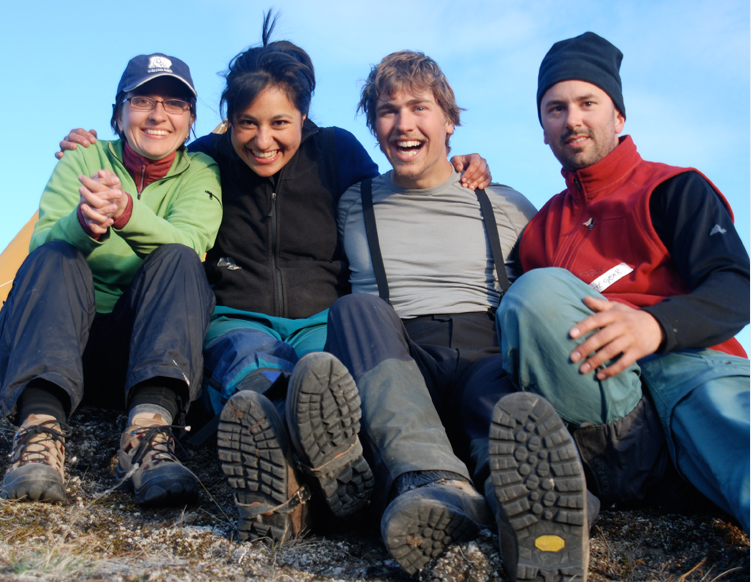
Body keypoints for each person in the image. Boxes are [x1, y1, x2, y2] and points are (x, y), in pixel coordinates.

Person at [56, 13, 491, 543]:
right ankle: (296, 461)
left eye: (280, 123)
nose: (263, 140)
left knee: (321, 371)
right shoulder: (207, 160)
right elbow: (152, 173)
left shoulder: (335, 151)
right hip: (237, 315)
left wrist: (461, 160)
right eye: (247, 123)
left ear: (303, 118)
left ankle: (308, 468)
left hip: (321, 316)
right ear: (228, 120)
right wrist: (94, 144)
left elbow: (395, 188)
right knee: (250, 369)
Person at [320, 51, 583, 580]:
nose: (403, 123)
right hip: (397, 356)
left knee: (506, 415)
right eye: (387, 111)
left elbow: (550, 294)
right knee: (353, 309)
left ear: (449, 120)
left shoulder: (505, 202)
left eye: (419, 107)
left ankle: (536, 512)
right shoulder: (353, 201)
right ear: (373, 126)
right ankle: (431, 483)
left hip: (484, 348)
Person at [497, 31, 750, 548]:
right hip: (611, 421)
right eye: (555, 109)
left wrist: (655, 325)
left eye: (588, 103)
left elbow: (736, 286)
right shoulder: (537, 229)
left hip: (690, 370)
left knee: (729, 426)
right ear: (542, 129)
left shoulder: (673, 188)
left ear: (619, 116)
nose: (572, 120)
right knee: (529, 296)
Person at [0, 53, 223, 507]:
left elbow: (193, 240)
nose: (158, 114)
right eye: (142, 100)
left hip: (137, 350)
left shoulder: (201, 172)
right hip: (63, 340)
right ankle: (39, 435)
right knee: (56, 252)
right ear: (119, 113)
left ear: (191, 120)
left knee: (180, 258)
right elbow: (42, 239)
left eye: (175, 104)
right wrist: (81, 223)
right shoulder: (83, 157)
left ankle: (147, 434)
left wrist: (124, 211)